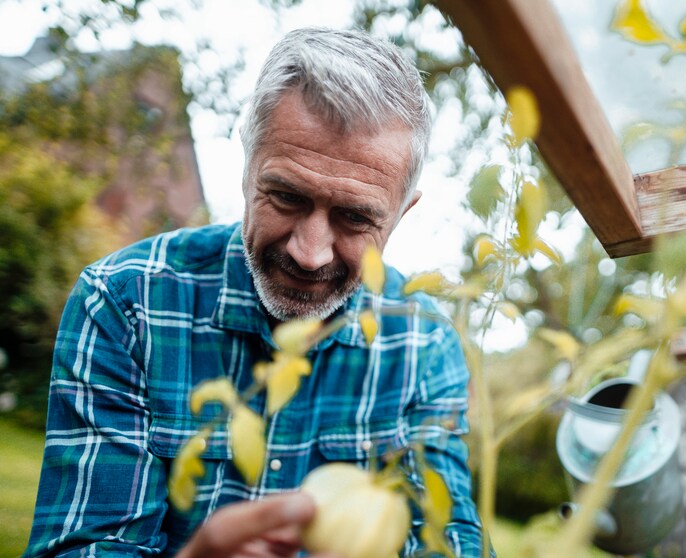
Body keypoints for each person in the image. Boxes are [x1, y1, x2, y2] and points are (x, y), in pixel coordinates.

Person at [24, 27, 484, 557]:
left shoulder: (425, 347)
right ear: (245, 166)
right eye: (286, 196)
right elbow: (84, 545)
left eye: (355, 218)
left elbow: (447, 540)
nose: (311, 252)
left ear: (401, 213)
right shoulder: (125, 305)